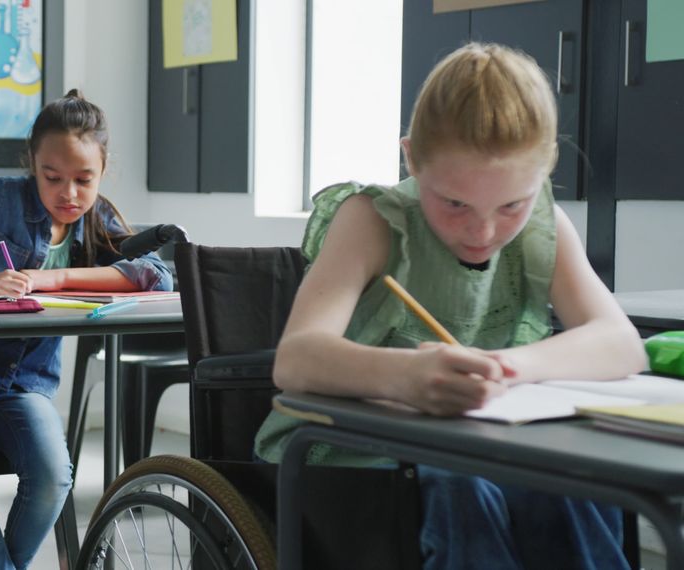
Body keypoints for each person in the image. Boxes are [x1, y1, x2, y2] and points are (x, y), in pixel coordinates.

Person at [254, 43, 647, 569]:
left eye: (512, 204)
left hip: (483, 448)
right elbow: (296, 359)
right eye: (455, 203)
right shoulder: (372, 219)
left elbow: (621, 343)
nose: (483, 233)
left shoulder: (542, 229)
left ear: (545, 170)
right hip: (349, 456)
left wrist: (510, 368)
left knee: (564, 484)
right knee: (466, 488)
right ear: (411, 158)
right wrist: (405, 375)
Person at [0, 89, 172, 569]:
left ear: (102, 171)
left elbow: (154, 274)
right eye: (53, 178)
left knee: (52, 477)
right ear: (33, 165)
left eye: (84, 180)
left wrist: (58, 277)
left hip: (25, 383)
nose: (69, 194)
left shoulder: (97, 217)